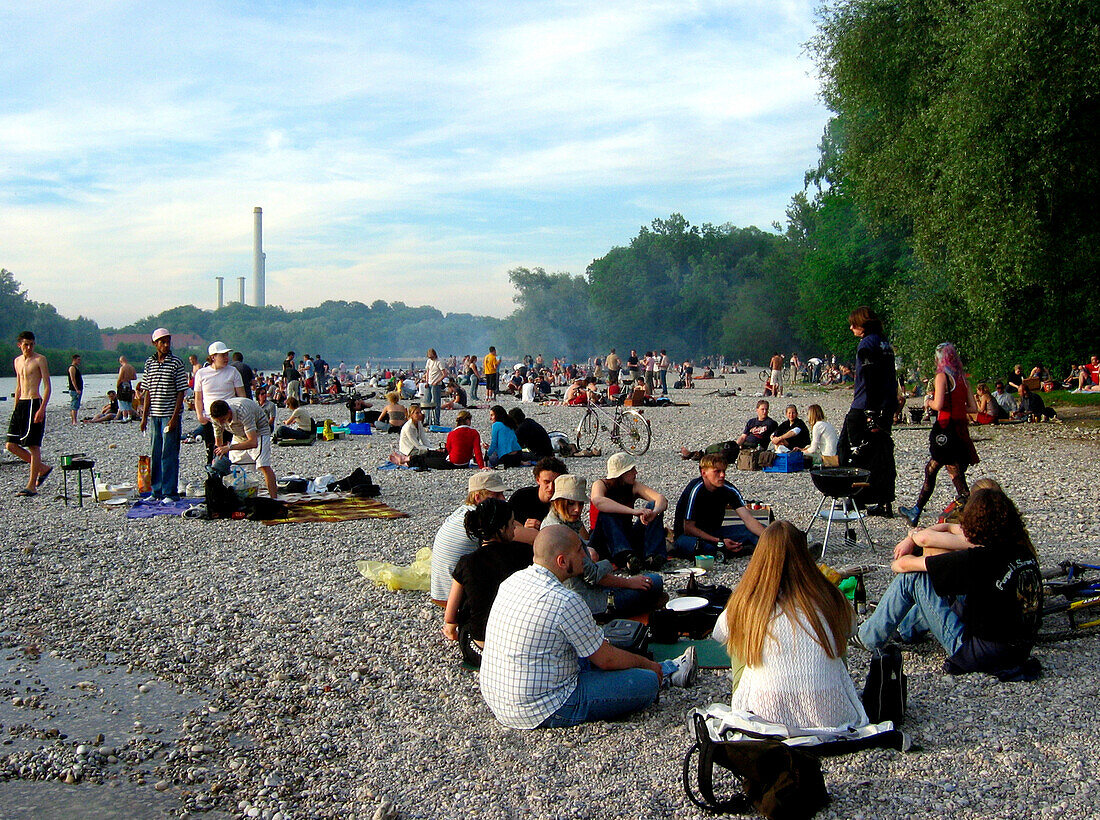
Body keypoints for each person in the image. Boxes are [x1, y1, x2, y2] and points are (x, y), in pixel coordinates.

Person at [479, 526, 696, 730]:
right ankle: (665, 672)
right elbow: (606, 659)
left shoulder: (512, 582)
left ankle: (667, 670)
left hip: (499, 697)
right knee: (647, 682)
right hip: (542, 707)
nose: (585, 556)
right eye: (578, 551)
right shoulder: (564, 600)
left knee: (592, 650)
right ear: (562, 561)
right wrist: (647, 665)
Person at [858, 486, 1042, 679]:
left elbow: (902, 566)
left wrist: (912, 540)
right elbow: (950, 533)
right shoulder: (1021, 550)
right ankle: (906, 629)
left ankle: (867, 637)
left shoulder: (978, 558)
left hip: (977, 653)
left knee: (913, 578)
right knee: (947, 582)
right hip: (1019, 650)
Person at [712, 521, 868, 728]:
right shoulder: (830, 597)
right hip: (834, 716)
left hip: (764, 717)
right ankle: (831, 687)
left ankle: (747, 701)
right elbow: (851, 629)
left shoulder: (747, 602)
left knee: (741, 634)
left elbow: (718, 634)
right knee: (835, 633)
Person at [546, 475, 665, 618]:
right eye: (571, 503)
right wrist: (628, 582)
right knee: (655, 581)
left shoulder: (555, 521)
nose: (577, 510)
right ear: (558, 502)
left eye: (580, 504)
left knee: (649, 584)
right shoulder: (561, 532)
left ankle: (643, 600)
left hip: (578, 591)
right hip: (589, 602)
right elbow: (593, 576)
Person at [443, 499, 534, 667]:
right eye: (512, 523)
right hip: (518, 646)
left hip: (480, 652)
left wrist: (450, 627)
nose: (515, 527)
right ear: (501, 529)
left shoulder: (466, 562)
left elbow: (450, 615)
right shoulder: (523, 556)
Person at [899, 343, 979, 527]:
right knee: (934, 469)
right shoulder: (962, 379)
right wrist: (958, 408)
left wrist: (928, 402)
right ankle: (916, 510)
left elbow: (940, 404)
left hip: (945, 429)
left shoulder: (942, 377)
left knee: (952, 471)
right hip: (961, 428)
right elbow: (973, 408)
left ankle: (971, 512)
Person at [838, 306, 897, 518]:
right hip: (886, 404)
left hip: (865, 405)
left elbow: (871, 374)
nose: (851, 328)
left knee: (850, 448)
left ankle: (856, 498)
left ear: (861, 324)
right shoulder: (884, 342)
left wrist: (872, 412)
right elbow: (890, 376)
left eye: (853, 324)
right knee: (881, 454)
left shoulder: (867, 344)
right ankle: (883, 501)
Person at [430, 472, 510, 605]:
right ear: (478, 497)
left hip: (440, 593)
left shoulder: (461, 513)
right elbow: (525, 538)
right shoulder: (482, 520)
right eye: (496, 495)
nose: (503, 499)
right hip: (457, 600)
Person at [672, 454, 766, 557]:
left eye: (724, 471)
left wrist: (769, 538)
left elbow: (748, 519)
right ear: (704, 473)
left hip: (716, 533)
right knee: (698, 546)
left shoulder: (729, 489)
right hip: (690, 536)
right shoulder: (695, 490)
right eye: (717, 471)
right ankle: (733, 550)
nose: (722, 475)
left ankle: (731, 550)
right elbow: (688, 528)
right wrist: (719, 541)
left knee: (761, 531)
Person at [589, 452, 669, 572]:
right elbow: (599, 501)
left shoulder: (633, 486)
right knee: (608, 512)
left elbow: (661, 499)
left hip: (626, 536)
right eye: (632, 470)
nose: (635, 473)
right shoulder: (601, 484)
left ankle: (652, 556)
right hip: (604, 539)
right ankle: (625, 557)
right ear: (622, 473)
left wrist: (654, 512)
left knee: (653, 506)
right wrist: (633, 511)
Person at [140, 328, 189, 500]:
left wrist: (175, 417)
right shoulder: (149, 364)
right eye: (162, 342)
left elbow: (181, 392)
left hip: (169, 415)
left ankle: (170, 491)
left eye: (168, 341)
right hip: (155, 415)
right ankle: (156, 490)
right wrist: (144, 417)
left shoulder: (176, 363)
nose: (166, 345)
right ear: (155, 343)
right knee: (156, 453)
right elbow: (147, 392)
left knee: (169, 454)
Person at [6, 331, 53, 496]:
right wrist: (15, 407)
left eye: (31, 344)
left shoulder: (40, 360)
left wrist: (42, 408)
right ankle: (43, 468)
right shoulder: (17, 361)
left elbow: (47, 385)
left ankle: (31, 486)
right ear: (19, 344)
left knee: (33, 445)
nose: (29, 347)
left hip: (34, 402)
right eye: (26, 344)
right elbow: (18, 386)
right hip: (21, 404)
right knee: (10, 444)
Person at [208, 397, 278, 499]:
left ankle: (274, 499)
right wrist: (218, 458)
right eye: (219, 421)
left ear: (229, 412)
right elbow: (218, 442)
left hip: (259, 431)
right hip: (238, 434)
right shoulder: (216, 419)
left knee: (263, 465)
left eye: (223, 420)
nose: (221, 423)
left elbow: (253, 442)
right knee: (234, 466)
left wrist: (229, 447)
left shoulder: (242, 411)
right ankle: (238, 498)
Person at [194, 342, 246, 466]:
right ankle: (213, 477)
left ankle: (228, 476)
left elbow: (242, 396)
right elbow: (198, 397)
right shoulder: (201, 374)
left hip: (229, 417)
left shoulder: (233, 372)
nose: (226, 358)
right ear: (213, 357)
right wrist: (200, 416)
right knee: (211, 449)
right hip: (210, 418)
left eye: (227, 355)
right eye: (222, 355)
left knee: (228, 448)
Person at [508, 457, 568, 531]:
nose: (551, 487)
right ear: (538, 480)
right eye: (546, 482)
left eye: (555, 483)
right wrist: (524, 528)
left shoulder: (566, 502)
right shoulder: (520, 498)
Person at [424, 348, 446, 427]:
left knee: (436, 403)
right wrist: (426, 381)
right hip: (429, 383)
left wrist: (437, 381)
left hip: (436, 384)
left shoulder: (439, 361)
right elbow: (427, 372)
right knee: (427, 402)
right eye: (429, 357)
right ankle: (427, 419)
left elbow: (444, 374)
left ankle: (436, 420)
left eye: (431, 357)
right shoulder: (429, 361)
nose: (430, 358)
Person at [116, 355, 137, 422]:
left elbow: (120, 378)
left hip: (123, 385)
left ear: (121, 361)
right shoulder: (132, 367)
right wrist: (128, 378)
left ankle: (124, 417)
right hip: (129, 384)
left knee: (122, 401)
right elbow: (135, 377)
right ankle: (129, 416)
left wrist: (117, 385)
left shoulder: (123, 368)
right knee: (128, 400)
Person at [66, 353, 83, 425]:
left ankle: (75, 420)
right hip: (74, 390)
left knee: (76, 404)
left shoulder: (76, 367)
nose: (79, 361)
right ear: (74, 360)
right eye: (78, 360)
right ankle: (74, 421)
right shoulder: (72, 368)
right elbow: (73, 379)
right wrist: (76, 389)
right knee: (74, 405)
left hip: (78, 389)